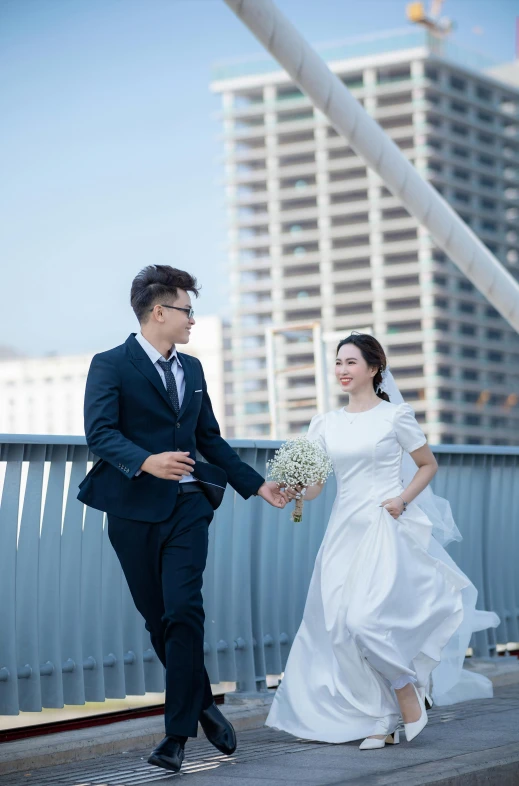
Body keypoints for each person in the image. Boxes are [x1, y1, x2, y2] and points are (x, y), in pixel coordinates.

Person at [78, 265, 286, 774]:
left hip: (189, 506)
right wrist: (146, 461)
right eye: (187, 310)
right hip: (131, 510)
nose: (193, 319)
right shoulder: (110, 365)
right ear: (158, 312)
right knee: (159, 619)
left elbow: (209, 438)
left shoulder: (192, 370)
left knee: (185, 612)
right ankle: (204, 703)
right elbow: (100, 433)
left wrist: (257, 484)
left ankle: (175, 737)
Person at [267, 333, 498, 749]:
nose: (342, 370)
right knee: (338, 627)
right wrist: (293, 488)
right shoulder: (325, 423)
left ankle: (405, 687)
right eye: (338, 362)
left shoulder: (395, 417)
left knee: (363, 620)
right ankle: (382, 715)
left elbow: (427, 465)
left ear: (374, 369)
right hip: (342, 531)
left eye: (351, 362)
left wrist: (402, 500)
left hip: (383, 525)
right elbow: (318, 487)